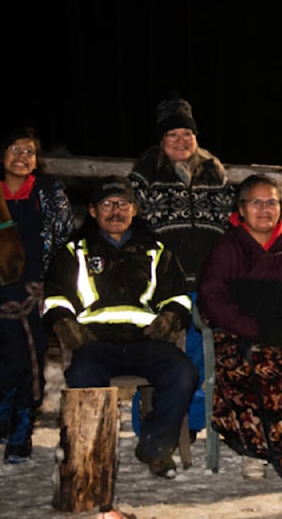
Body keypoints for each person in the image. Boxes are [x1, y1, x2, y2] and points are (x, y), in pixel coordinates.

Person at [42, 175, 198, 479]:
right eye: (107, 204)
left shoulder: (156, 251)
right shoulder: (74, 251)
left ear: (135, 210)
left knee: (183, 373)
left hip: (146, 340)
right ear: (92, 211)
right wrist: (66, 326)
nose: (116, 210)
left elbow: (178, 297)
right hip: (94, 343)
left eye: (123, 203)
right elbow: (55, 297)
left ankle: (155, 446)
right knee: (84, 374)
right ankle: (91, 452)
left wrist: (169, 319)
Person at [197, 174, 282, 479]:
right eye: (256, 202)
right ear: (242, 209)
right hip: (242, 334)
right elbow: (211, 295)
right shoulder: (228, 248)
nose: (264, 209)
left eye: (271, 202)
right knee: (255, 370)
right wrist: (250, 327)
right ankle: (255, 450)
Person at [0, 126, 75, 464]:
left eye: (30, 152)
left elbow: (65, 243)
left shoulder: (49, 194)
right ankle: (2, 404)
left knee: (28, 353)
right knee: (16, 350)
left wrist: (53, 287)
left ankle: (18, 425)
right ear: (1, 155)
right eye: (15, 150)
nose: (22, 157)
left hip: (36, 290)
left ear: (37, 161)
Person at [128, 93, 236, 439]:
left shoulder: (214, 171)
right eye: (172, 135)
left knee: (201, 355)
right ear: (161, 140)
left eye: (186, 134)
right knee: (159, 353)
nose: (180, 141)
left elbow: (226, 222)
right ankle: (150, 419)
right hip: (162, 283)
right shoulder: (145, 173)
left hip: (205, 280)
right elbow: (130, 227)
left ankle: (190, 424)